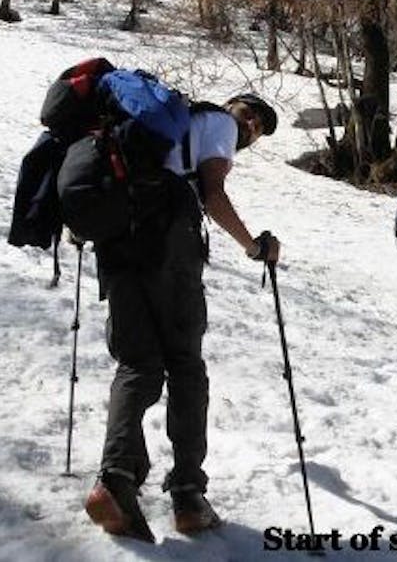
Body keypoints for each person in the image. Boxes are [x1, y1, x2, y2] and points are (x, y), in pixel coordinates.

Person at [83, 92, 281, 542]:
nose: (250, 126)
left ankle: (115, 482)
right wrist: (254, 246)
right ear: (231, 107)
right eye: (250, 116)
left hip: (119, 239)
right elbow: (212, 195)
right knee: (186, 367)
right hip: (170, 242)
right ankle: (189, 495)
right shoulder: (218, 125)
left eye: (257, 128)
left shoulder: (158, 130)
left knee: (136, 364)